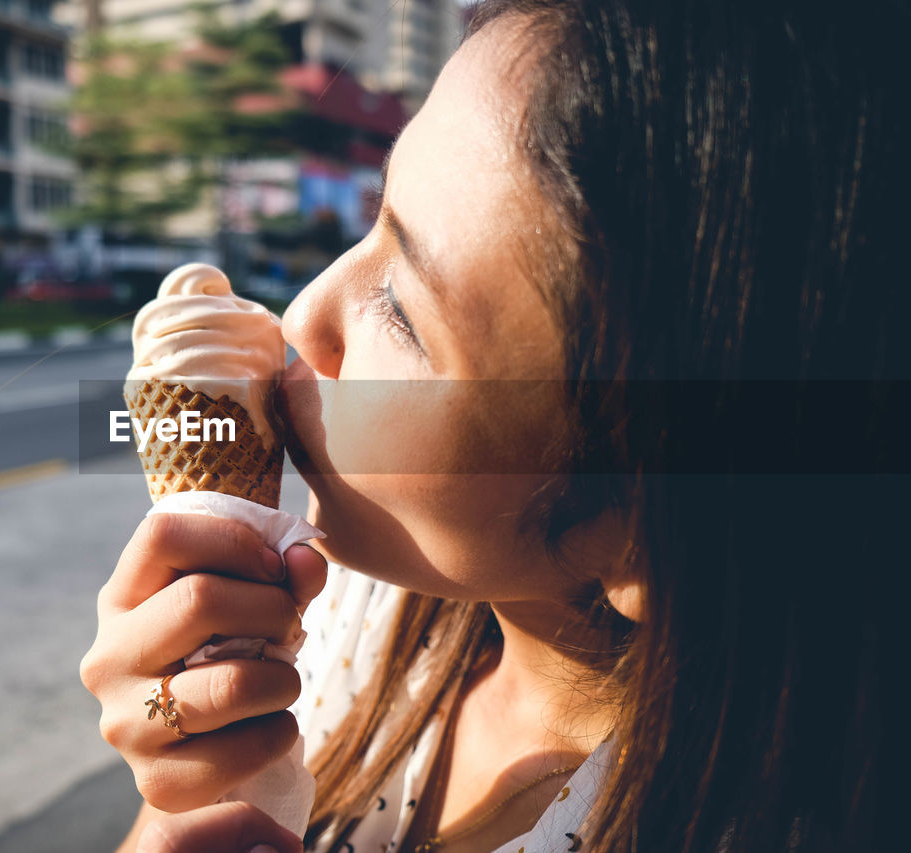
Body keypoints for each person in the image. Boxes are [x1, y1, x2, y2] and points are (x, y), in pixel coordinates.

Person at [80, 0, 900, 850]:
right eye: (376, 226)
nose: (300, 318)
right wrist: (193, 769)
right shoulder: (358, 612)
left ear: (642, 529)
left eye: (400, 310)